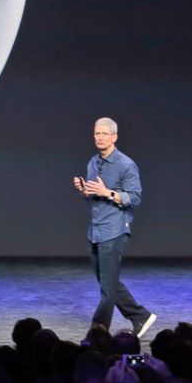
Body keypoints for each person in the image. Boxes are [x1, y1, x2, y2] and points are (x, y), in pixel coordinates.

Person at [72, 117, 156, 337]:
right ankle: (141, 316)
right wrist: (84, 190)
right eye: (97, 133)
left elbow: (135, 198)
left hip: (115, 230)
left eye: (104, 134)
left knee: (107, 290)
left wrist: (108, 192)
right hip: (96, 230)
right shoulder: (93, 162)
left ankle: (97, 331)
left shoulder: (125, 164)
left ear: (114, 137)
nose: (100, 137)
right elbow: (93, 197)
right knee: (108, 282)